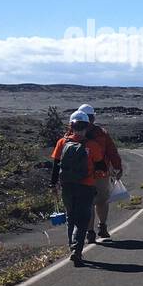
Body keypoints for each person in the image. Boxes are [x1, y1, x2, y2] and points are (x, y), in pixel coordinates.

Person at [50, 111, 105, 265]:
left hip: (67, 186)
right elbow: (101, 165)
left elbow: (55, 165)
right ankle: (76, 250)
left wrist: (53, 184)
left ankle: (72, 247)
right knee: (82, 220)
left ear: (71, 125)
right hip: (86, 186)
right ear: (87, 127)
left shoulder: (62, 142)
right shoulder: (92, 145)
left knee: (71, 217)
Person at [76, 103, 123, 242]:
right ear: (93, 117)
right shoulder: (101, 133)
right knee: (101, 201)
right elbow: (112, 152)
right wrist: (117, 167)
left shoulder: (72, 133)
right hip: (100, 173)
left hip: (82, 175)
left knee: (88, 203)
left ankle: (90, 232)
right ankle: (101, 227)